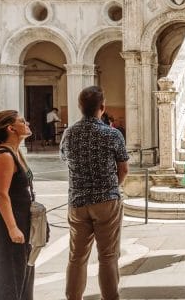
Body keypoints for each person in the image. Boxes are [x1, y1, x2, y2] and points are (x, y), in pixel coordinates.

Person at [60, 86, 129, 300]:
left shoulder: (69, 133)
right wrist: (112, 187)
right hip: (106, 200)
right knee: (108, 256)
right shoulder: (112, 134)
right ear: (102, 107)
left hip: (78, 201)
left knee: (76, 256)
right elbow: (124, 168)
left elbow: (64, 158)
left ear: (80, 107)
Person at [0, 110, 35, 299]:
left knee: (22, 274)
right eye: (22, 121)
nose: (26, 122)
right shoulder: (4, 155)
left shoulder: (15, 152)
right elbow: (1, 194)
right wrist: (12, 228)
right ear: (11, 128)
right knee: (8, 276)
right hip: (7, 221)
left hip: (21, 218)